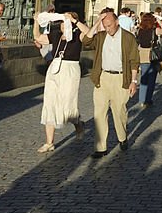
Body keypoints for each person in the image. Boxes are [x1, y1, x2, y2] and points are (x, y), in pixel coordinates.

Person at [82, 10, 140, 158]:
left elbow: (134, 60)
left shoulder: (128, 38)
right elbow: (86, 41)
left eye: (109, 25)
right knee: (99, 113)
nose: (108, 29)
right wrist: (96, 23)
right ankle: (100, 147)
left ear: (117, 22)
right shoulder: (101, 36)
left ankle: (122, 137)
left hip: (120, 78)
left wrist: (133, 81)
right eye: (105, 26)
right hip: (102, 77)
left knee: (119, 111)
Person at [35, 11, 89, 152]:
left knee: (68, 104)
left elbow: (90, 33)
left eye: (66, 21)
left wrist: (75, 21)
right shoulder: (56, 35)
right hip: (54, 68)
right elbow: (38, 38)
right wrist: (36, 21)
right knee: (50, 102)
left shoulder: (78, 36)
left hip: (70, 69)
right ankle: (49, 142)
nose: (62, 24)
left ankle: (78, 124)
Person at [136, 12, 161, 107]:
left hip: (142, 54)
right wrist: (159, 21)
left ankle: (141, 100)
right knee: (151, 79)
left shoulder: (139, 30)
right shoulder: (154, 30)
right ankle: (148, 99)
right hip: (152, 55)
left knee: (143, 78)